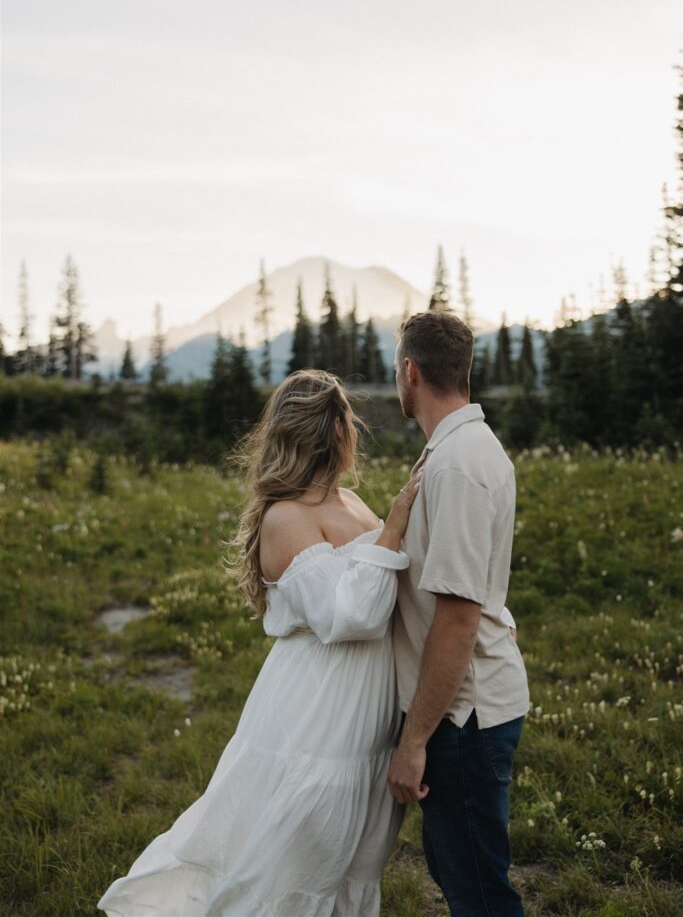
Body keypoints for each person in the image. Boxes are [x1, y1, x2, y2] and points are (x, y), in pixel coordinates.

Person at [97, 367, 518, 917]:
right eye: (346, 423)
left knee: (354, 857)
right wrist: (391, 528)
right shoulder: (286, 516)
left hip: (366, 714)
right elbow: (355, 615)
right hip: (318, 713)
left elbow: (404, 582)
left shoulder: (348, 502)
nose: (352, 434)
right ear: (330, 434)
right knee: (298, 857)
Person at [387, 311, 530, 917]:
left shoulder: (458, 464)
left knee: (478, 892)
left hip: (464, 717)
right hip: (459, 711)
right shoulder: (453, 452)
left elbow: (459, 617)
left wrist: (414, 740)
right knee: (459, 872)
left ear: (410, 372)